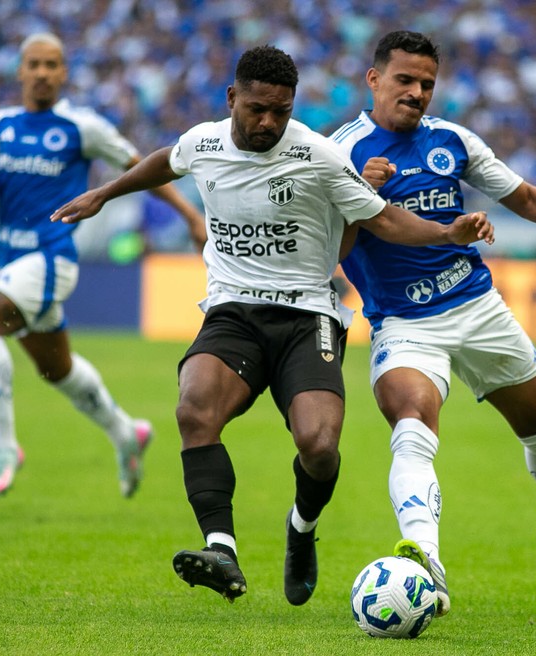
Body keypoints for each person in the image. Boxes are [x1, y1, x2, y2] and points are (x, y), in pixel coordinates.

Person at [51, 45, 495, 605]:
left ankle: (301, 530)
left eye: (280, 112)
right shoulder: (205, 141)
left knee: (319, 445)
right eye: (257, 109)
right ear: (233, 98)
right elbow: (166, 159)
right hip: (233, 310)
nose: (268, 122)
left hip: (308, 312)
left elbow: (381, 217)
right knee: (194, 409)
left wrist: (446, 234)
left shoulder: (318, 154)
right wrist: (103, 193)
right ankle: (221, 549)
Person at [330, 31, 536, 615]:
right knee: (412, 421)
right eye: (405, 80)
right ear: (373, 80)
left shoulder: (453, 140)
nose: (417, 93)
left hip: (476, 305)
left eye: (427, 83)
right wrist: (359, 195)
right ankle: (426, 561)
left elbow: (522, 197)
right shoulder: (341, 153)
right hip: (403, 321)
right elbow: (337, 244)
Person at [0, 33, 206, 500]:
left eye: (52, 64)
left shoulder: (81, 126)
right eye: (34, 64)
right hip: (11, 260)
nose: (42, 73)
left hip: (51, 259)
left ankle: (4, 447)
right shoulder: (3, 123)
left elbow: (141, 166)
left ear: (64, 72)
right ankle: (125, 432)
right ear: (20, 71)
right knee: (58, 369)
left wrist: (190, 216)